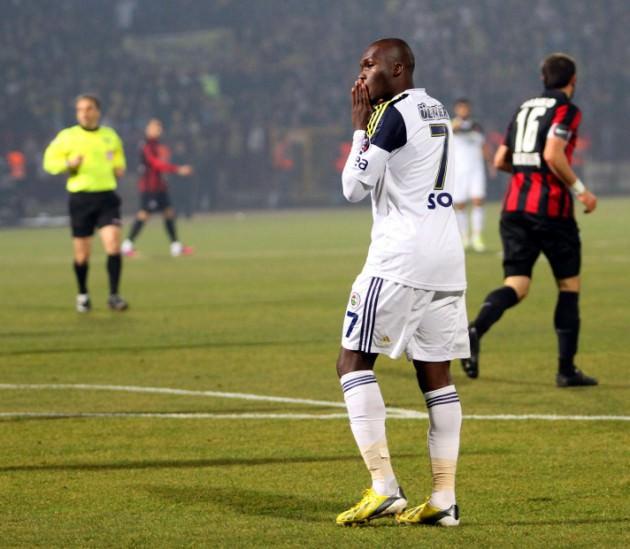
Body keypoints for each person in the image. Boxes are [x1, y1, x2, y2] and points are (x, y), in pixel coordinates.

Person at [335, 38, 468, 527]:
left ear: (397, 69)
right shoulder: (436, 109)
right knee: (436, 377)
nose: (361, 74)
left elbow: (353, 187)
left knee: (352, 362)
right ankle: (444, 498)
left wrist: (358, 128)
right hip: (446, 260)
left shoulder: (389, 114)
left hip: (400, 261)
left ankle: (384, 486)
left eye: (369, 65)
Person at [461, 53, 598, 388]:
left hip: (514, 209)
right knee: (568, 286)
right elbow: (552, 154)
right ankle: (566, 370)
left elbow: (500, 160)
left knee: (517, 285)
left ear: (543, 78)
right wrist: (581, 191)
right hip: (551, 211)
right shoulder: (566, 110)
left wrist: (526, 172)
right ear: (573, 80)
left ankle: (475, 329)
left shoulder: (524, 108)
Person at [43, 94, 128, 312]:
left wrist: (119, 167)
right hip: (81, 199)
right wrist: (68, 163)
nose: (84, 113)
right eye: (80, 109)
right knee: (82, 254)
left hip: (107, 197)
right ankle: (83, 294)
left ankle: (114, 295)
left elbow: (118, 157)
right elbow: (49, 163)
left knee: (113, 244)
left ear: (98, 111)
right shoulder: (68, 136)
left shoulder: (110, 135)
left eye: (88, 108)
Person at [121, 119, 193, 257]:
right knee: (144, 214)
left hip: (160, 187)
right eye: (154, 127)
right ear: (147, 129)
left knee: (169, 213)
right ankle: (127, 245)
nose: (157, 130)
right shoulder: (146, 145)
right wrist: (177, 169)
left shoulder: (158, 145)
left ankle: (175, 246)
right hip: (149, 187)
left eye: (159, 128)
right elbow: (155, 164)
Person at [451, 98, 495, 251]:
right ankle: (464, 237)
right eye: (461, 108)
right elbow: (451, 133)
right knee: (460, 204)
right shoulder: (451, 125)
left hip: (476, 170)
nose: (464, 111)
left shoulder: (477, 126)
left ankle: (477, 236)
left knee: (478, 201)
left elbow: (483, 146)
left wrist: (490, 163)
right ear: (456, 110)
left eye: (466, 108)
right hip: (458, 171)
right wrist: (455, 125)